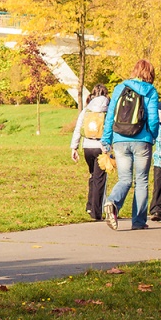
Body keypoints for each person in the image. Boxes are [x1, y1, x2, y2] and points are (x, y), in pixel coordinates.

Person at [101, 59, 160, 231]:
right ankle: (139, 222)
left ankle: (112, 202)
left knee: (125, 179)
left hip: (120, 138)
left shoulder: (120, 88)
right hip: (142, 140)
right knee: (141, 181)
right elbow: (153, 119)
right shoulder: (150, 90)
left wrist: (106, 139)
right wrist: (153, 135)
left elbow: (110, 115)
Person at [69, 84, 111, 220]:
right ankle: (96, 212)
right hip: (101, 146)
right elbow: (111, 128)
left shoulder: (86, 110)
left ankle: (89, 205)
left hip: (87, 146)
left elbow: (77, 129)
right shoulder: (108, 109)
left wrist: (74, 147)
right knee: (100, 179)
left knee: (93, 175)